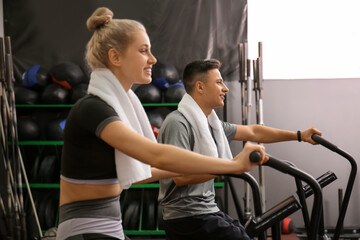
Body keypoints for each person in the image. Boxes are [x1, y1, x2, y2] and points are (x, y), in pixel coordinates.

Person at [57, 8, 268, 240]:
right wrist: (232, 165)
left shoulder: (116, 107)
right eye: (143, 50)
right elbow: (154, 154)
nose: (153, 59)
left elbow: (144, 171)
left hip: (108, 227)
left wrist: (201, 167)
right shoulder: (93, 108)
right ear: (115, 57)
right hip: (85, 231)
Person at [157, 59, 322, 240]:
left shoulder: (212, 124)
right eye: (219, 82)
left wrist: (299, 135)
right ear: (200, 87)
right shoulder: (178, 123)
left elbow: (253, 131)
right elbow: (181, 177)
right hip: (186, 218)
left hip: (206, 211)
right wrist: (232, 165)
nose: (225, 88)